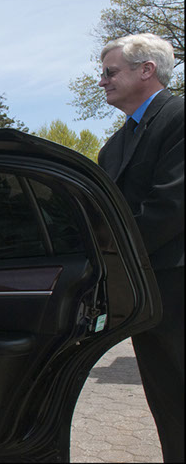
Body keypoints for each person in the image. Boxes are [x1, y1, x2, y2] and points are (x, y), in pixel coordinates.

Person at [97, 33, 184, 463]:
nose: (102, 81)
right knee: (169, 408)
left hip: (180, 286)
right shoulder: (112, 147)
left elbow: (171, 206)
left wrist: (111, 257)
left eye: (110, 72)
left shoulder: (180, 117)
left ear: (146, 70)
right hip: (147, 300)